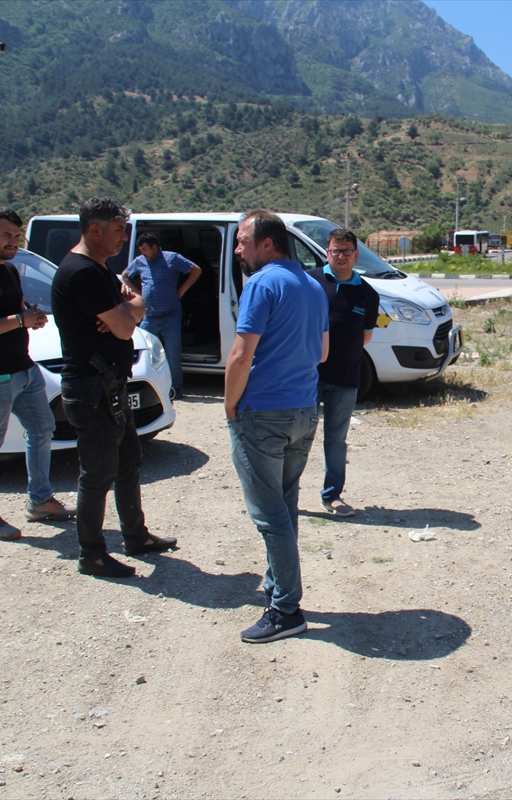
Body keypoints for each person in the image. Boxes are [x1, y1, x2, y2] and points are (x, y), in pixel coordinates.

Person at [51, 197, 178, 578]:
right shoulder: (82, 273)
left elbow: (138, 306)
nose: (125, 237)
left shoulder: (101, 270)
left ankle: (135, 536)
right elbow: (126, 326)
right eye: (119, 230)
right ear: (94, 230)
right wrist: (126, 314)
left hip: (110, 387)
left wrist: (129, 308)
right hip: (92, 390)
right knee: (97, 473)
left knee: (129, 461)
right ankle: (91, 554)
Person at [226, 210, 329, 644]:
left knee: (270, 515)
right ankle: (276, 585)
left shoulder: (261, 283)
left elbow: (240, 354)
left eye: (242, 241)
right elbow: (322, 353)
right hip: (304, 411)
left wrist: (230, 407)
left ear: (266, 244)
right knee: (284, 506)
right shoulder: (313, 285)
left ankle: (287, 609)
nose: (237, 251)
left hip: (263, 414)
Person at [0, 207, 75, 540]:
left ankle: (40, 501)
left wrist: (29, 315)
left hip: (23, 368)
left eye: (16, 237)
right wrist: (20, 321)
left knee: (43, 428)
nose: (13, 242)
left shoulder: (8, 270)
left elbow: (13, 309)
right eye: (6, 235)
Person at [305, 228, 380, 517]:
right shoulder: (310, 282)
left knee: (336, 441)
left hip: (346, 380)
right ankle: (287, 495)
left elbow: (366, 336)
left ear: (356, 254)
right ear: (327, 252)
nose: (341, 256)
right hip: (308, 377)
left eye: (347, 251)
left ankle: (332, 496)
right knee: (299, 439)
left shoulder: (367, 293)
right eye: (335, 251)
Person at [122, 234, 201, 399]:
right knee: (141, 350)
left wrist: (181, 290)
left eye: (145, 249)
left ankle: (176, 388)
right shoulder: (140, 262)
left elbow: (195, 270)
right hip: (149, 316)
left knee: (172, 353)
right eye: (140, 250)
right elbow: (125, 276)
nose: (142, 253)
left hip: (170, 315)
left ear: (154, 247)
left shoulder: (171, 258)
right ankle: (143, 385)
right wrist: (138, 294)